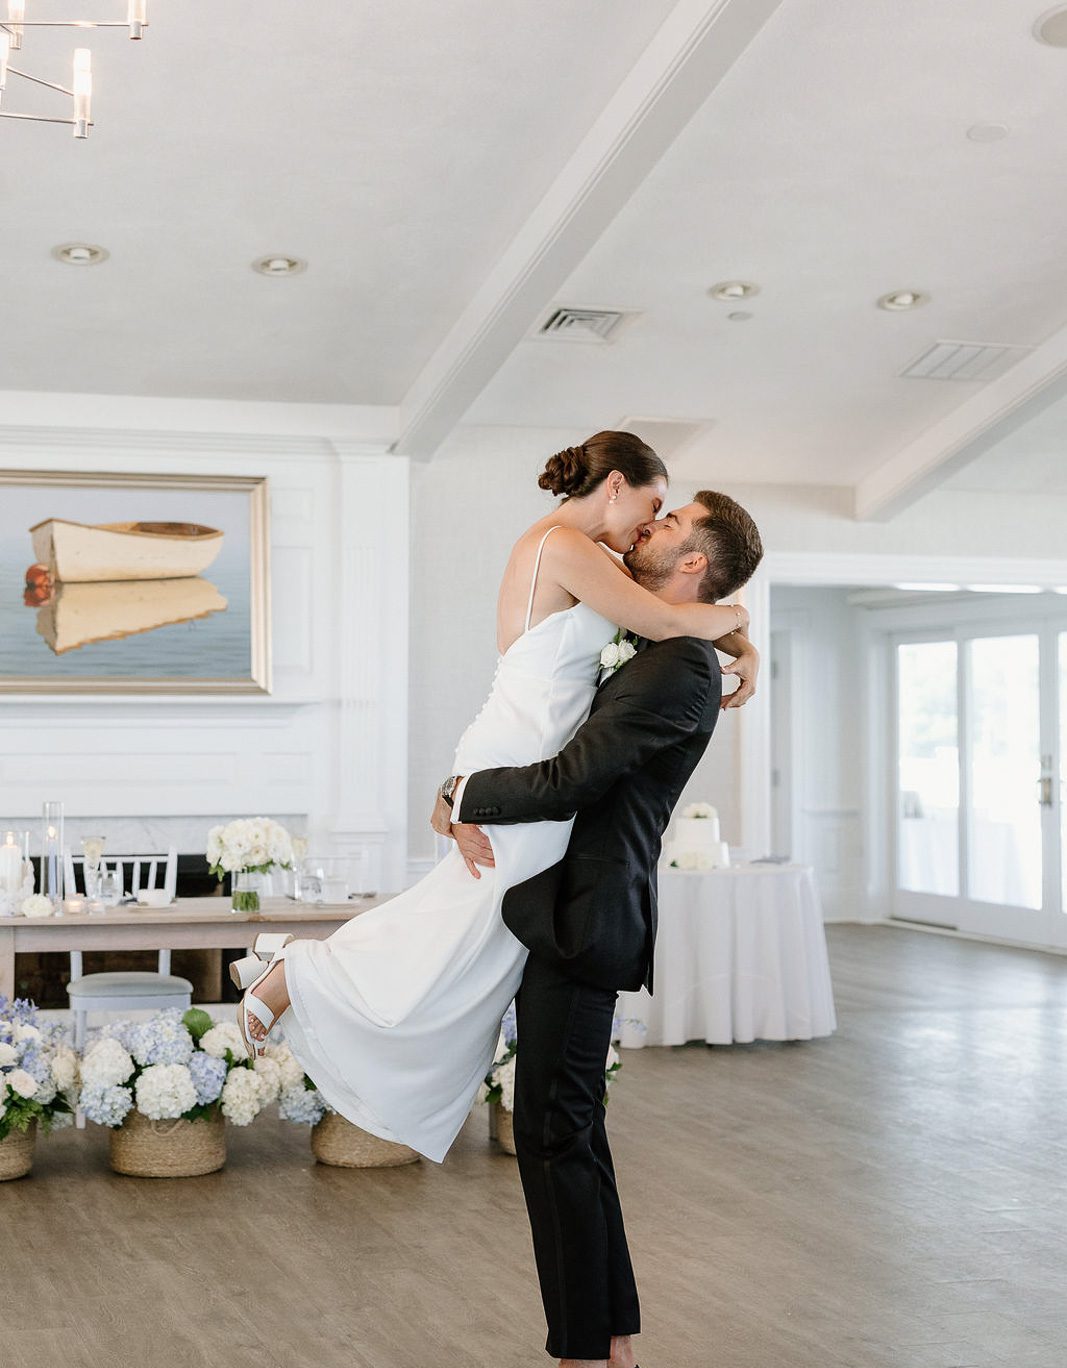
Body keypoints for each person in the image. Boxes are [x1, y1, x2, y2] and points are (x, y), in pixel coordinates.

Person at [232, 432, 759, 1170]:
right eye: (651, 504)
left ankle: (310, 976)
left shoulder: (595, 560)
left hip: (522, 752)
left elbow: (685, 611)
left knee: (481, 919)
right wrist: (742, 639)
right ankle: (301, 973)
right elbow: (673, 621)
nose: (649, 522)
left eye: (665, 518)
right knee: (473, 911)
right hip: (519, 753)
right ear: (614, 485)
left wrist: (746, 643)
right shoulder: (559, 545)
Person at [444, 492, 765, 1368]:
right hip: (580, 913)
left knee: (552, 1137)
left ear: (692, 566)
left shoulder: (674, 669)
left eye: (671, 525)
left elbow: (574, 778)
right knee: (571, 1135)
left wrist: (459, 793)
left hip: (587, 921)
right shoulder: (667, 645)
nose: (647, 527)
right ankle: (613, 1362)